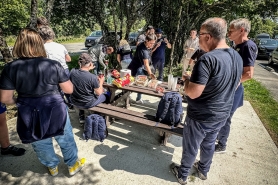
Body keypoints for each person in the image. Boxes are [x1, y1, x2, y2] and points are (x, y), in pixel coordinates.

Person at [0, 28, 85, 176]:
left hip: (29, 111)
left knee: (39, 141)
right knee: (65, 137)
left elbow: (5, 99)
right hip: (55, 108)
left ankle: (52, 166)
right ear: (40, 44)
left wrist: (20, 101)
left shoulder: (10, 68)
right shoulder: (53, 64)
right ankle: (72, 165)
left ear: (18, 44)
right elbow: (69, 90)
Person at [170, 18, 243, 184]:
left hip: (201, 116)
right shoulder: (237, 56)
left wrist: (187, 81)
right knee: (209, 143)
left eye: (200, 34)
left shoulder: (207, 59)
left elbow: (193, 93)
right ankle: (203, 171)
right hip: (222, 114)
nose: (199, 38)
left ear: (208, 37)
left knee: (191, 146)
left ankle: (182, 174)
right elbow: (236, 83)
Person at [215, 18, 258, 153]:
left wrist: (233, 83)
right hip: (228, 88)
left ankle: (222, 145)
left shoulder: (248, 46)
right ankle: (217, 137)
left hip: (234, 89)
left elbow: (249, 74)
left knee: (226, 116)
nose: (228, 33)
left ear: (242, 30)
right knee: (221, 114)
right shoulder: (237, 45)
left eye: (231, 30)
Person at [38, 26, 74, 110]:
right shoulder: (61, 46)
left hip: (50, 71)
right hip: (64, 69)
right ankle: (71, 103)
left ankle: (62, 105)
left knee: (56, 90)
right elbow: (69, 59)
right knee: (67, 88)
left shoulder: (42, 48)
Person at [70, 53, 107, 124]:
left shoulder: (72, 71)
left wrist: (88, 69)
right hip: (87, 103)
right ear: (90, 63)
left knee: (83, 92)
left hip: (75, 101)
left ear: (79, 62)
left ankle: (82, 115)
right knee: (106, 95)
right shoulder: (92, 77)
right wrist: (101, 82)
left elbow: (82, 74)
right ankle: (99, 115)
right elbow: (99, 92)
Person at [128, 33, 157, 103]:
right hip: (138, 68)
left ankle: (131, 96)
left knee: (133, 83)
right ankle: (137, 98)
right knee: (140, 84)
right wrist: (151, 74)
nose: (152, 45)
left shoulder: (143, 43)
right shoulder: (143, 50)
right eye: (151, 43)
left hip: (136, 65)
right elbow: (146, 64)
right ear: (146, 40)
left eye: (153, 43)